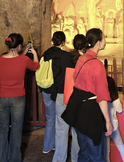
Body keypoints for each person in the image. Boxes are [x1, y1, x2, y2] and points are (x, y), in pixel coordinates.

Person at [62, 28, 113, 162]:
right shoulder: (97, 64)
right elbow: (102, 96)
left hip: (78, 111)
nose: (105, 41)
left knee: (83, 152)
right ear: (98, 43)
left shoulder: (81, 59)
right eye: (104, 38)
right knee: (96, 155)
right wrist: (108, 121)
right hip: (91, 113)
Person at [0, 33, 39, 162]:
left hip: (1, 97)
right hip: (18, 98)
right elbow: (36, 66)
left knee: (2, 130)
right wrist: (33, 52)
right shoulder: (23, 60)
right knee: (16, 131)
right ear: (19, 46)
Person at [39, 31, 73, 162]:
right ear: (63, 42)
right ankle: (60, 152)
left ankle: (48, 146)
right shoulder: (65, 56)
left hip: (46, 89)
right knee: (61, 122)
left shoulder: (46, 53)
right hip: (58, 91)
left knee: (50, 118)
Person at [68, 34, 86, 162]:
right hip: (82, 97)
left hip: (71, 96)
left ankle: (75, 159)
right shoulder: (85, 60)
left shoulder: (68, 57)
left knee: (75, 132)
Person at [102, 76, 124, 162]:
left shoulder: (101, 100)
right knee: (120, 146)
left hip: (104, 127)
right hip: (113, 127)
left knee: (106, 150)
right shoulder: (115, 99)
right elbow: (120, 110)